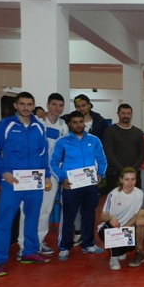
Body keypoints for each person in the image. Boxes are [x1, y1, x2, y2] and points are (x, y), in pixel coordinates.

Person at [0, 91, 51, 276]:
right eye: (22, 104)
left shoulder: (39, 127)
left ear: (33, 106)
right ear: (16, 105)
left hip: (34, 181)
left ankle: (29, 252)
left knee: (32, 218)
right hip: (12, 181)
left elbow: (43, 154)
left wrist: (46, 175)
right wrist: (3, 172)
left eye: (29, 104)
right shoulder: (5, 125)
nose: (26, 107)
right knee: (4, 220)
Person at [50, 110, 108, 261]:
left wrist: (100, 174)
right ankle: (64, 247)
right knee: (68, 217)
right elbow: (53, 162)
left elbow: (102, 160)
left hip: (90, 185)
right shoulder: (62, 142)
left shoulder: (94, 140)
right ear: (69, 124)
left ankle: (88, 244)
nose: (78, 125)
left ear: (84, 123)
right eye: (75, 122)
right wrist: (62, 178)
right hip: (70, 185)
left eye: (81, 122)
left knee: (89, 215)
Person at [17, 92, 68, 258]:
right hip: (31, 171)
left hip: (51, 172)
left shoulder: (63, 126)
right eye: (54, 104)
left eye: (60, 105)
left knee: (46, 209)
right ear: (47, 105)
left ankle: (38, 241)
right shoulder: (36, 121)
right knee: (27, 209)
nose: (57, 108)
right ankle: (23, 244)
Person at [97, 167, 144, 270]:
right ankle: (114, 257)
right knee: (111, 226)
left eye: (133, 179)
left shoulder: (139, 193)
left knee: (131, 245)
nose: (130, 183)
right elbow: (102, 216)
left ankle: (121, 250)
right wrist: (112, 218)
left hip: (127, 227)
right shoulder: (113, 194)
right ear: (121, 180)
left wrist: (125, 228)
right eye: (127, 179)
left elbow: (137, 215)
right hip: (109, 227)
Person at [102, 103, 144, 192]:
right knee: (115, 199)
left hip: (133, 174)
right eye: (123, 113)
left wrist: (132, 170)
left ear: (131, 114)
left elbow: (143, 152)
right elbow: (108, 152)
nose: (126, 116)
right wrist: (123, 170)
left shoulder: (138, 132)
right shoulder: (110, 131)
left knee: (135, 198)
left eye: (128, 113)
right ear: (118, 114)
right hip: (115, 174)